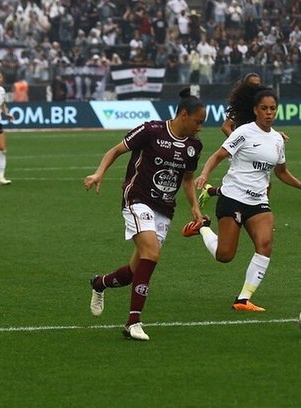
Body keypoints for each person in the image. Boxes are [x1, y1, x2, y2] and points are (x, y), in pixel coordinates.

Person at [84, 88, 206, 341]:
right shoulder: (151, 131)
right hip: (137, 199)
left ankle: (99, 283)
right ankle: (133, 322)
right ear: (184, 114)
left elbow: (187, 179)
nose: (200, 127)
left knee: (134, 271)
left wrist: (194, 207)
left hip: (165, 208)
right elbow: (115, 150)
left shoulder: (194, 146)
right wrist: (99, 173)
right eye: (198, 121)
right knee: (152, 252)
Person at [182, 88, 301, 312]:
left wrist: (300, 184)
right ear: (255, 110)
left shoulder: (277, 140)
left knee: (265, 245)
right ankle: (202, 227)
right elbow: (218, 155)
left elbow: (281, 172)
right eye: (264, 108)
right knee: (225, 256)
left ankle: (243, 299)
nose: (269, 113)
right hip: (233, 197)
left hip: (259, 202)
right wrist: (204, 175)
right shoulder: (243, 132)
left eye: (272, 109)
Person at [199, 72, 287, 208]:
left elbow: (262, 131)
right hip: (242, 147)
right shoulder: (240, 105)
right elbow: (225, 126)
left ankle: (260, 209)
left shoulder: (260, 102)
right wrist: (237, 144)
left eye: (258, 84)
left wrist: (272, 136)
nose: (256, 86)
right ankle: (259, 210)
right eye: (253, 84)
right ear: (246, 85)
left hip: (253, 147)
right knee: (240, 186)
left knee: (262, 184)